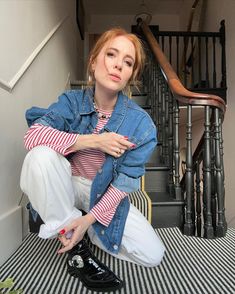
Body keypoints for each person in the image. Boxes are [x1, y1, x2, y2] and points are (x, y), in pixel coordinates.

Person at [20, 27, 165, 292]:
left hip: (99, 194)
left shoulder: (140, 125)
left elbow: (123, 185)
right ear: (94, 60)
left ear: (131, 74)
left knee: (153, 254)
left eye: (128, 62)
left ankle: (79, 223)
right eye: (111, 54)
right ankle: (75, 245)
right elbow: (33, 136)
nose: (118, 65)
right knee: (39, 156)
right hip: (63, 181)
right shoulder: (72, 102)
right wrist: (94, 141)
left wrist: (90, 220)